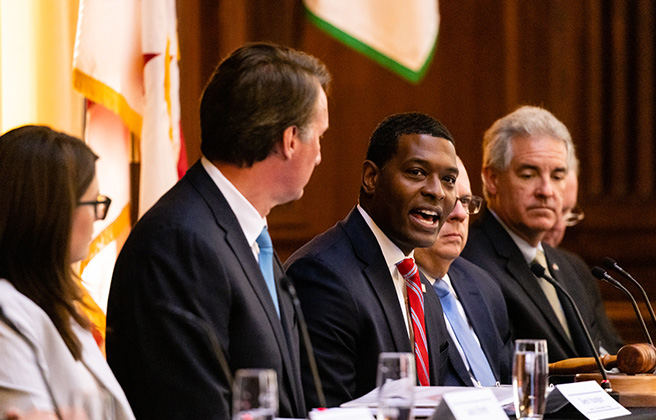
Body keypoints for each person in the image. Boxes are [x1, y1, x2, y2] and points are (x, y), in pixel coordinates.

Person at [105, 43, 330, 420]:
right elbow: (190, 406)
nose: (320, 154)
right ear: (290, 140)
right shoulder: (179, 243)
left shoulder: (245, 233)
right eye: (318, 136)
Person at [284, 112, 456, 407]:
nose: (436, 191)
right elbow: (326, 411)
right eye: (416, 172)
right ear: (371, 178)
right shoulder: (321, 275)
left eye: (448, 179)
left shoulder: (421, 285)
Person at [461, 105, 623, 363]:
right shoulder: (468, 262)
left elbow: (611, 354)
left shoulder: (575, 269)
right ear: (492, 179)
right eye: (529, 174)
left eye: (558, 176)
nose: (546, 190)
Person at [0, 125, 134, 420]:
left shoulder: (55, 303)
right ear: (52, 212)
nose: (100, 218)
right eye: (95, 203)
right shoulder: (5, 315)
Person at [415, 156, 513, 386]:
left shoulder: (483, 285)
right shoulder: (397, 291)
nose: (459, 214)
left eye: (466, 201)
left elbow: (509, 384)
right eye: (446, 199)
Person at [543, 163, 624, 352]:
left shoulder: (576, 268)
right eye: (550, 208)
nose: (556, 224)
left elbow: (611, 348)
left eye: (566, 212)